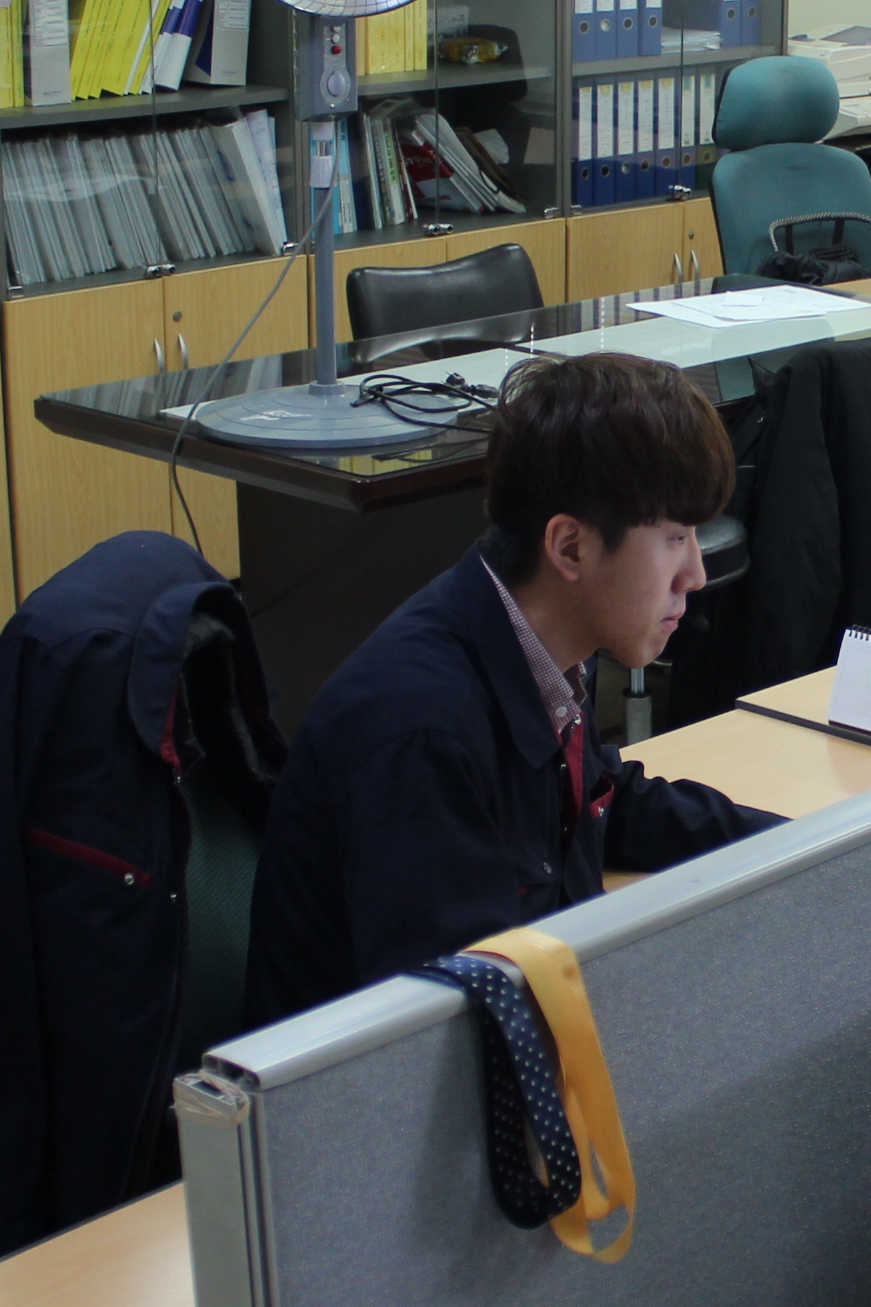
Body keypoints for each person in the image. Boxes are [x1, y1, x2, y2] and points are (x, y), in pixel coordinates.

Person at [243, 352, 782, 1025]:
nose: (696, 573)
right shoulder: (423, 735)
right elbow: (458, 1025)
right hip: (382, 1082)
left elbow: (606, 803)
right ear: (570, 548)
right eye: (675, 538)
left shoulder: (537, 640)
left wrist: (802, 848)